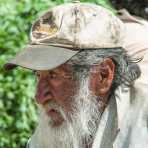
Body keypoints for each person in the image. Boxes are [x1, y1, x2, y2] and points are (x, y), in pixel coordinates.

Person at [4, 2, 148, 148]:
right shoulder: (55, 131)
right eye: (38, 75)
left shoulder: (141, 128)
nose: (39, 97)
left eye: (54, 76)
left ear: (103, 76)